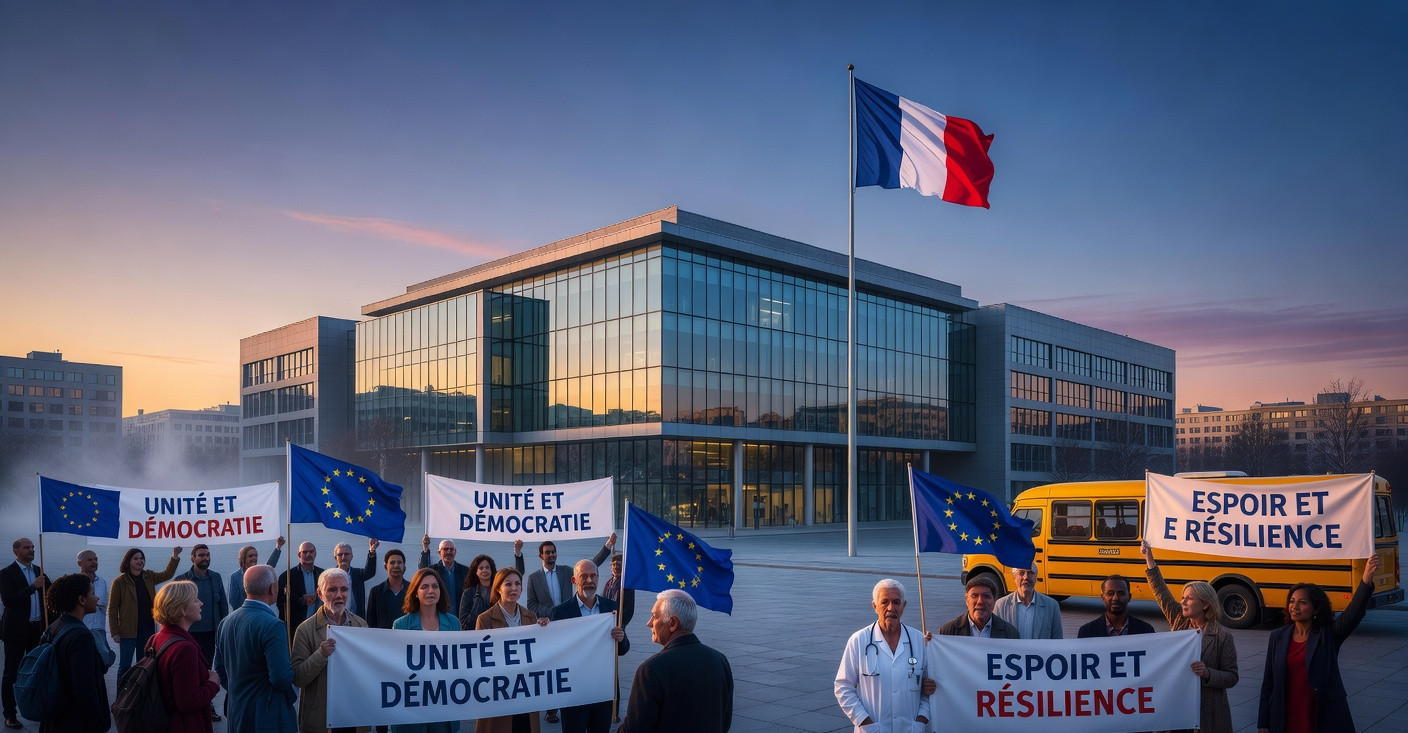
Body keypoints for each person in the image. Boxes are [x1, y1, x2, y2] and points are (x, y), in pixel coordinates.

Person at [1257, 554, 1382, 733]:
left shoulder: (1328, 635)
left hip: (1322, 715)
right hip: (1286, 715)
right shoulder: (1277, 637)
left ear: (1315, 608)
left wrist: (1366, 578)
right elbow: (1268, 683)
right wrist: (1263, 723)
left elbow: (1354, 613)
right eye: (1292, 601)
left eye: (1302, 603)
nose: (1294, 607)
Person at [1140, 540, 1238, 733]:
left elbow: (1232, 677)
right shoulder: (1179, 620)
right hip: (1177, 704)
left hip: (1207, 710)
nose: (1183, 602)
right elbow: (1160, 591)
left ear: (1205, 604)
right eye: (1183, 597)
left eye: (1189, 598)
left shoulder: (1222, 636)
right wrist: (1148, 557)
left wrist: (1208, 673)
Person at [620, 589, 732, 733]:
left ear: (672, 623)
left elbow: (634, 729)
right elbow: (725, 722)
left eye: (654, 616)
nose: (649, 623)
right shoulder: (720, 660)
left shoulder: (651, 670)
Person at [835, 579, 929, 733]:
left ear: (904, 606)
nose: (891, 608)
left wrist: (921, 720)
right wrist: (865, 722)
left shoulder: (919, 640)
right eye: (884, 602)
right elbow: (843, 686)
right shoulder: (858, 640)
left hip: (910, 728)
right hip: (870, 728)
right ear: (874, 606)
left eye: (896, 602)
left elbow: (930, 687)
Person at [550, 559, 629, 733]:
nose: (589, 580)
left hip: (602, 691)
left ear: (598, 578)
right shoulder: (561, 612)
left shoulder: (611, 608)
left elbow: (623, 650)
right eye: (583, 576)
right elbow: (554, 651)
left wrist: (621, 638)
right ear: (574, 580)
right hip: (573, 693)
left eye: (593, 576)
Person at [216, 564, 296, 733]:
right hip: (267, 715)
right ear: (272, 588)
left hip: (236, 712)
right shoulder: (273, 625)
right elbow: (281, 678)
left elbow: (220, 669)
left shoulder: (225, 622)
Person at [292, 568, 370, 733]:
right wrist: (320, 655)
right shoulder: (305, 630)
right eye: (332, 590)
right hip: (321, 717)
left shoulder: (361, 625)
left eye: (344, 589)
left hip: (353, 715)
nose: (339, 595)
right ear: (320, 594)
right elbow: (298, 678)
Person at [474, 567, 550, 733]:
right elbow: (482, 659)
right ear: (498, 588)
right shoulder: (485, 619)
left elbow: (538, 652)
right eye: (508, 584)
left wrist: (543, 630)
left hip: (525, 692)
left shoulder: (531, 617)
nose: (514, 588)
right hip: (499, 694)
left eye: (517, 584)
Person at [36, 573, 109, 733]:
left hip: (55, 718)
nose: (97, 598)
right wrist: (98, 724)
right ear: (82, 600)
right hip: (74, 722)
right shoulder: (81, 636)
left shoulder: (55, 626)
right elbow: (84, 689)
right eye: (92, 593)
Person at [392, 568, 463, 733]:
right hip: (412, 708)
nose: (431, 591)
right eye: (424, 587)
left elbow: (460, 661)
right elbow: (394, 665)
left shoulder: (453, 623)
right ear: (415, 593)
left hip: (444, 707)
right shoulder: (401, 625)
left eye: (435, 586)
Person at [151, 579, 222, 733]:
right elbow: (187, 702)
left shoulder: (157, 638)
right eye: (195, 600)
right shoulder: (184, 649)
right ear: (181, 608)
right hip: (185, 725)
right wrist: (213, 682)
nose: (201, 603)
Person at [109, 544, 182, 678]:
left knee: (144, 664)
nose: (140, 561)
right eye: (136, 558)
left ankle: (140, 691)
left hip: (147, 628)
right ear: (128, 561)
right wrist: (115, 632)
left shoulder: (149, 576)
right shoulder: (120, 582)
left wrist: (175, 556)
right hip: (128, 630)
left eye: (142, 558)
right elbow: (113, 608)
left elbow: (167, 574)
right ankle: (121, 691)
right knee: (125, 666)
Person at [175, 544, 228, 722]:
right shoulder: (182, 580)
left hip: (211, 633)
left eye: (207, 555)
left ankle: (207, 705)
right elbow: (175, 607)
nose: (205, 558)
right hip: (189, 634)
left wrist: (224, 628)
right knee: (190, 671)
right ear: (193, 557)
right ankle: (191, 704)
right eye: (201, 555)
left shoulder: (216, 577)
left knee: (206, 670)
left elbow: (223, 604)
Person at [1, 537, 46, 730]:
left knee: (37, 671)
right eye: (27, 547)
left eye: (33, 547)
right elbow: (9, 600)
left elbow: (49, 595)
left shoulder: (39, 571)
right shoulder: (6, 573)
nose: (31, 550)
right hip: (16, 631)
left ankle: (35, 709)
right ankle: (10, 715)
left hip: (36, 629)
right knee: (11, 674)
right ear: (16, 550)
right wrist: (32, 587)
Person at [457, 542, 528, 631]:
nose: (485, 570)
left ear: (492, 570)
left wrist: (518, 554)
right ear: (476, 571)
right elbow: (464, 624)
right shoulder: (469, 593)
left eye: (487, 567)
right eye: (481, 568)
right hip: (477, 634)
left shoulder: (500, 589)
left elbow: (517, 573)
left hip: (499, 632)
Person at [992, 564, 1063, 639]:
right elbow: (995, 639)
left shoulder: (1052, 606)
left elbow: (1057, 641)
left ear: (1036, 577)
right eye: (1021, 573)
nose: (1026, 577)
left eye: (1030, 573)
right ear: (1014, 577)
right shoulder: (1001, 606)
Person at [939, 575, 1020, 638]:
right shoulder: (949, 631)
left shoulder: (1010, 633)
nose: (980, 601)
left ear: (994, 600)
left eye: (986, 596)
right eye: (974, 595)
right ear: (967, 600)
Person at [1077, 575, 1156, 637]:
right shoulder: (1087, 632)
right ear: (1103, 598)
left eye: (1121, 593)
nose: (1115, 598)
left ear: (1129, 597)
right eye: (1110, 593)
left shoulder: (1146, 631)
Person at [74, 549, 115, 668]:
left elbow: (103, 603)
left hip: (99, 629)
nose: (94, 562)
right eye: (90, 560)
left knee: (102, 663)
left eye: (95, 559)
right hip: (82, 629)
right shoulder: (75, 582)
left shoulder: (101, 581)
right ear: (80, 563)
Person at [278, 542, 325, 641]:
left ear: (315, 553)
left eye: (311, 552)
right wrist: (301, 601)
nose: (308, 555)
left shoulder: (323, 574)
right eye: (305, 552)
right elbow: (281, 604)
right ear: (299, 554)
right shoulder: (287, 577)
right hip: (296, 629)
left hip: (318, 628)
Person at [418, 536, 471, 622]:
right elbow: (421, 572)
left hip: (460, 620)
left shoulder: (465, 571)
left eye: (451, 549)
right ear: (440, 553)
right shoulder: (433, 571)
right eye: (445, 549)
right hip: (439, 619)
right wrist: (425, 549)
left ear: (455, 552)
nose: (449, 552)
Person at [228, 537, 285, 611]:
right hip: (244, 613)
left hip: (260, 611)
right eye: (250, 556)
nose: (254, 558)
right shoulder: (235, 576)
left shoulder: (259, 572)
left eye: (255, 555)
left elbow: (269, 565)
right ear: (243, 558)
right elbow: (233, 601)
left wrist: (278, 547)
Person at [333, 539, 379, 619]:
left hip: (355, 619)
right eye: (340, 554)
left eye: (346, 554)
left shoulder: (358, 574)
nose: (343, 557)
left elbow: (370, 572)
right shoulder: (330, 576)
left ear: (351, 556)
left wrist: (371, 552)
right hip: (335, 619)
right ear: (335, 558)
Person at [367, 549, 410, 630]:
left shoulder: (413, 590)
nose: (396, 565)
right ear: (385, 566)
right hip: (382, 637)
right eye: (392, 563)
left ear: (404, 567)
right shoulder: (376, 592)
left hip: (407, 637)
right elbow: (370, 623)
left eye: (399, 562)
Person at [600, 552, 634, 628]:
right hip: (607, 621)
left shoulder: (626, 584)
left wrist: (621, 624)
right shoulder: (608, 583)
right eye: (613, 564)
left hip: (619, 623)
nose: (615, 567)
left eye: (618, 564)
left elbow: (629, 609)